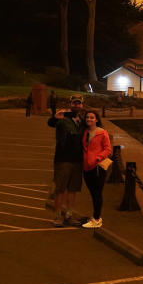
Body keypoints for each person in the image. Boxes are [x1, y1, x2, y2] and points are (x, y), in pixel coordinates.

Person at [47, 95, 85, 226]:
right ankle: (58, 216)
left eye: (79, 103)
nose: (76, 105)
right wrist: (54, 117)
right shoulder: (63, 117)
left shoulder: (83, 120)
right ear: (70, 104)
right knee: (60, 189)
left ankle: (69, 214)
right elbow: (51, 123)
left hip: (78, 160)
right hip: (63, 159)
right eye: (74, 103)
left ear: (82, 105)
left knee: (73, 189)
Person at [80, 109, 112, 229]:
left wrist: (98, 158)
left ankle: (97, 219)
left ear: (97, 120)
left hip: (98, 168)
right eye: (87, 117)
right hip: (86, 167)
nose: (89, 119)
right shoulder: (85, 132)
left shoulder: (102, 132)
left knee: (97, 193)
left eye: (92, 117)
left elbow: (108, 149)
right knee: (93, 193)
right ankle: (95, 217)